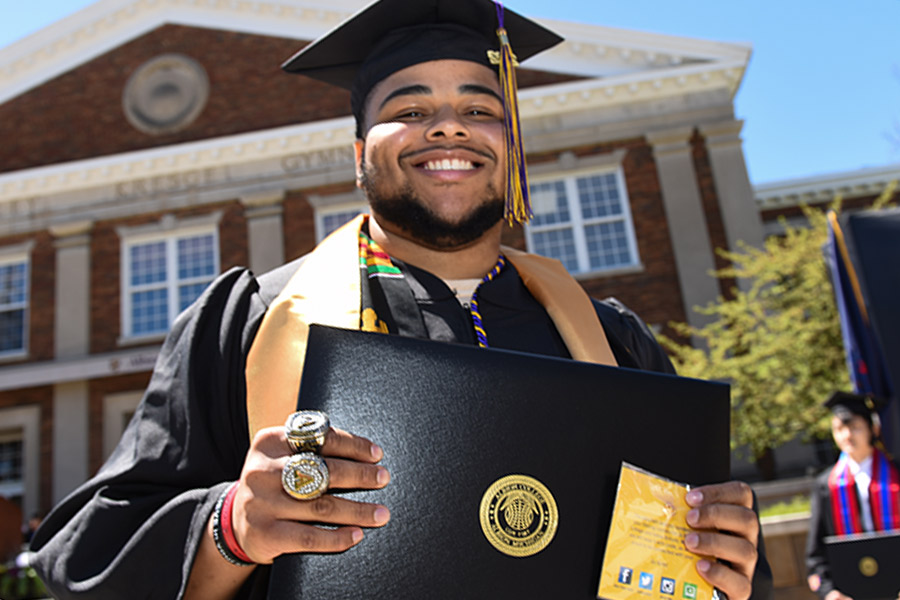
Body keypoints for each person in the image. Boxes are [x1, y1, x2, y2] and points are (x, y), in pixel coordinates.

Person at [30, 0, 772, 598]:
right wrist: (231, 526)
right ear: (358, 154)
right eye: (408, 108)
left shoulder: (613, 343)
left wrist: (730, 561)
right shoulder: (251, 324)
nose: (447, 124)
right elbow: (87, 552)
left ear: (510, 148)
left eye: (480, 109)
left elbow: (707, 567)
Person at [806, 391, 900, 600]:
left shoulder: (897, 474)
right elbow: (815, 553)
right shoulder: (826, 485)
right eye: (839, 429)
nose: (847, 435)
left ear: (872, 428)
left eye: (854, 427)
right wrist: (829, 592)